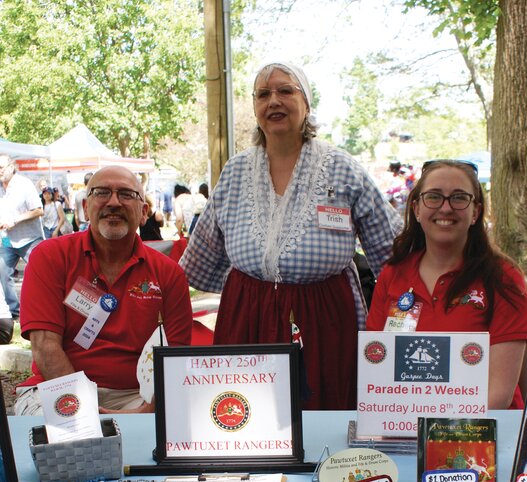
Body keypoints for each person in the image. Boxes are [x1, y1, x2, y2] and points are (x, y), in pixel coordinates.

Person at [179, 61, 400, 410]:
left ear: (307, 104)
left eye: (285, 91)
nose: (273, 101)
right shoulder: (236, 171)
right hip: (247, 314)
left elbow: (392, 250)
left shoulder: (341, 167)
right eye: (263, 94)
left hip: (326, 316)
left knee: (323, 416)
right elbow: (201, 254)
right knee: (247, 416)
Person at [16, 165, 193, 415]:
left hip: (139, 396)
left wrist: (147, 412)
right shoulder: (49, 257)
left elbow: (175, 358)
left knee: (181, 427)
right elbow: (45, 347)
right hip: (57, 387)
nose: (113, 202)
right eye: (101, 193)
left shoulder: (169, 273)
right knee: (70, 438)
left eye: (126, 194)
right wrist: (86, 410)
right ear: (86, 207)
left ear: (144, 213)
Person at [366, 158, 527, 409]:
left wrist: (440, 435)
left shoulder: (504, 278)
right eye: (433, 197)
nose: (445, 208)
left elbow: (498, 396)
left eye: (459, 198)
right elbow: (377, 370)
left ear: (475, 212)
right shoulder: (392, 274)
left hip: (482, 432)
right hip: (403, 425)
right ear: (417, 209)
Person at [0, 155, 44, 319]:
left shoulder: (24, 184)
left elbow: (39, 210)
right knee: (2, 272)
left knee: (42, 274)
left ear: (11, 167)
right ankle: (15, 313)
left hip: (30, 240)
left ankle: (43, 309)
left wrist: (15, 220)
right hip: (6, 240)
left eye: (1, 167)